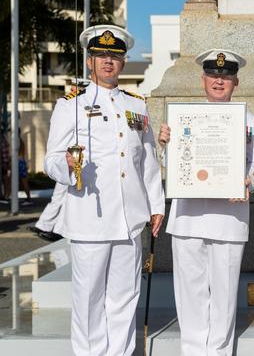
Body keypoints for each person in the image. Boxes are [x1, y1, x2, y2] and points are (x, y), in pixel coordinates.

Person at [43, 25, 165, 356]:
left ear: (123, 62)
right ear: (89, 62)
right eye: (101, 56)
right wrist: (67, 164)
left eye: (114, 56)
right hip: (90, 217)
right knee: (89, 299)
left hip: (130, 218)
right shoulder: (71, 105)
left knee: (125, 297)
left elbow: (147, 161)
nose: (108, 62)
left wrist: (156, 205)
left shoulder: (137, 105)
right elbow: (50, 160)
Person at [157, 49, 254, 356]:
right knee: (190, 292)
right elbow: (171, 167)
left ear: (236, 82)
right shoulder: (184, 118)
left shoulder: (251, 121)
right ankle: (193, 351)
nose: (219, 81)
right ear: (202, 79)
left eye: (226, 77)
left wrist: (248, 182)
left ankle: (219, 351)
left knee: (224, 294)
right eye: (214, 76)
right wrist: (166, 146)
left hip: (229, 217)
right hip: (188, 216)